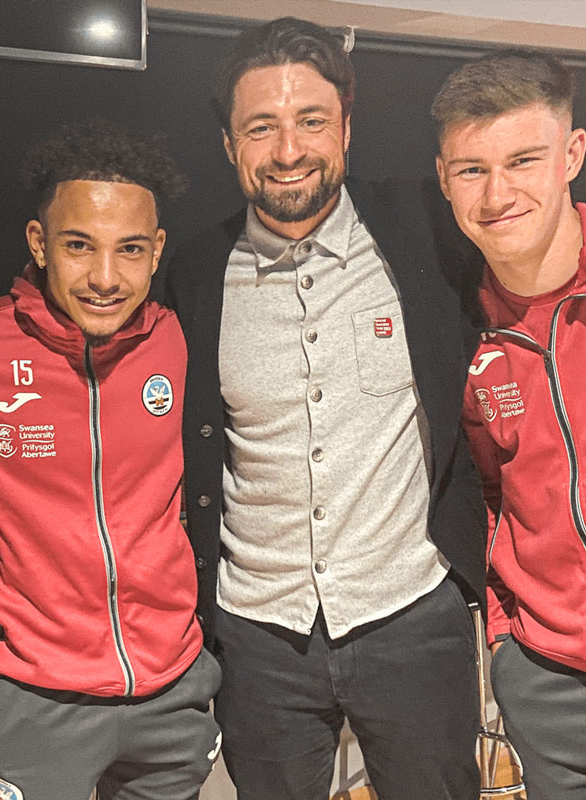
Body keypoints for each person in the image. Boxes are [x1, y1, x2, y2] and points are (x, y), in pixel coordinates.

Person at [163, 17, 486, 800]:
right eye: (261, 127)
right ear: (229, 143)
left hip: (412, 615)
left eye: (310, 121)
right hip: (259, 640)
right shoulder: (195, 276)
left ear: (346, 125)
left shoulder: (425, 234)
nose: (288, 151)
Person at [0, 122, 222, 800]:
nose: (106, 278)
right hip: (37, 701)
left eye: (130, 250)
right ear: (39, 243)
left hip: (171, 692)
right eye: (79, 246)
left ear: (157, 249)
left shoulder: (180, 339)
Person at [434, 48, 586, 799]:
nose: (497, 193)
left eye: (524, 159)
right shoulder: (457, 328)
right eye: (471, 169)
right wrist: (506, 640)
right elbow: (489, 493)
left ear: (573, 154)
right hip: (547, 676)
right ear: (443, 179)